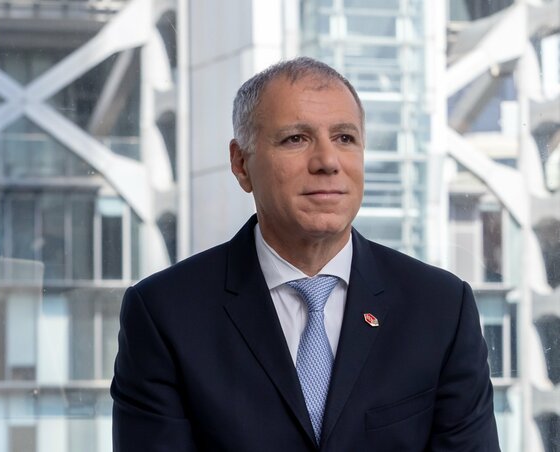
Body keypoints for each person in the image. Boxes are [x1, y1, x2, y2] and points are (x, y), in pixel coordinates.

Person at [110, 57, 500, 451]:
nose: (328, 162)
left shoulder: (441, 308)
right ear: (241, 164)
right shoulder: (164, 314)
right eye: (296, 139)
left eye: (344, 138)